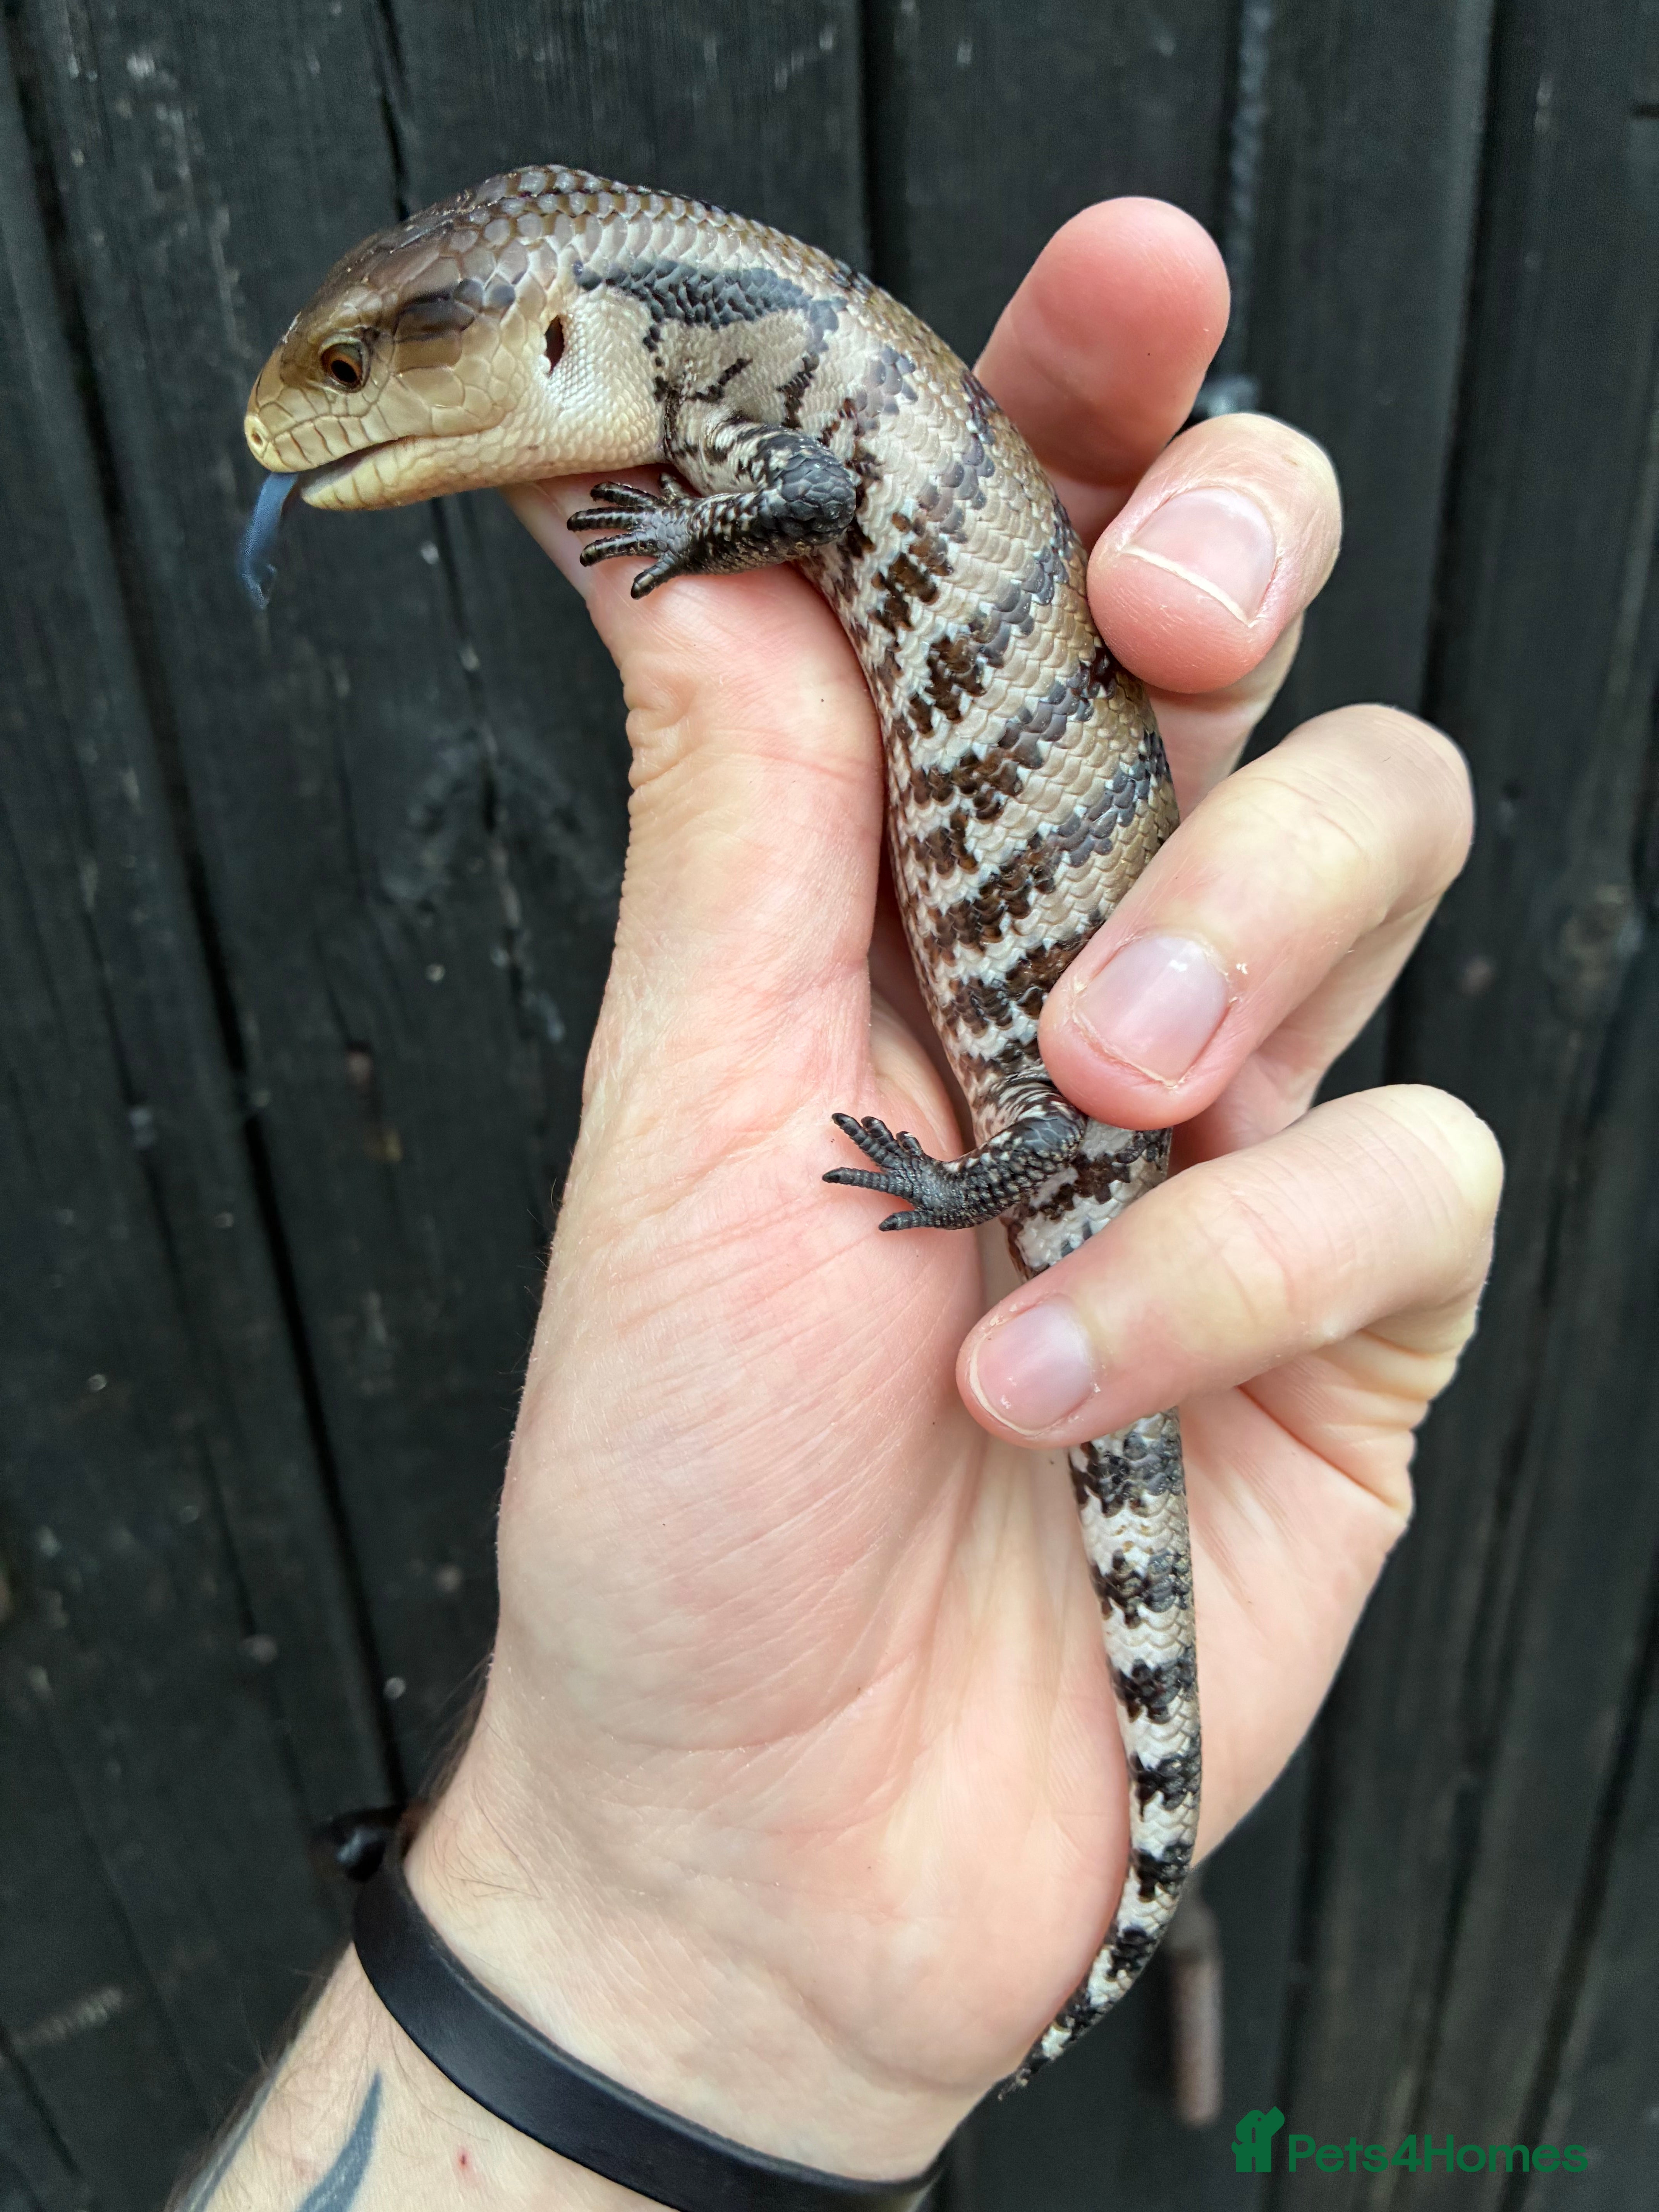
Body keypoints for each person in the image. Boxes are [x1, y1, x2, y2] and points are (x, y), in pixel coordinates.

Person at [178, 198, 1498, 2209]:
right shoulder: (679, 366)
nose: (313, 412)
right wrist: (653, 1944)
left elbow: (796, 490)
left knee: (1091, 1115)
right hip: (1010, 1019)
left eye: (370, 360)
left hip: (1040, 1111)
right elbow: (799, 489)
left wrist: (986, 1182)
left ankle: (1097, 1816)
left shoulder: (709, 382)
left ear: (542, 340)